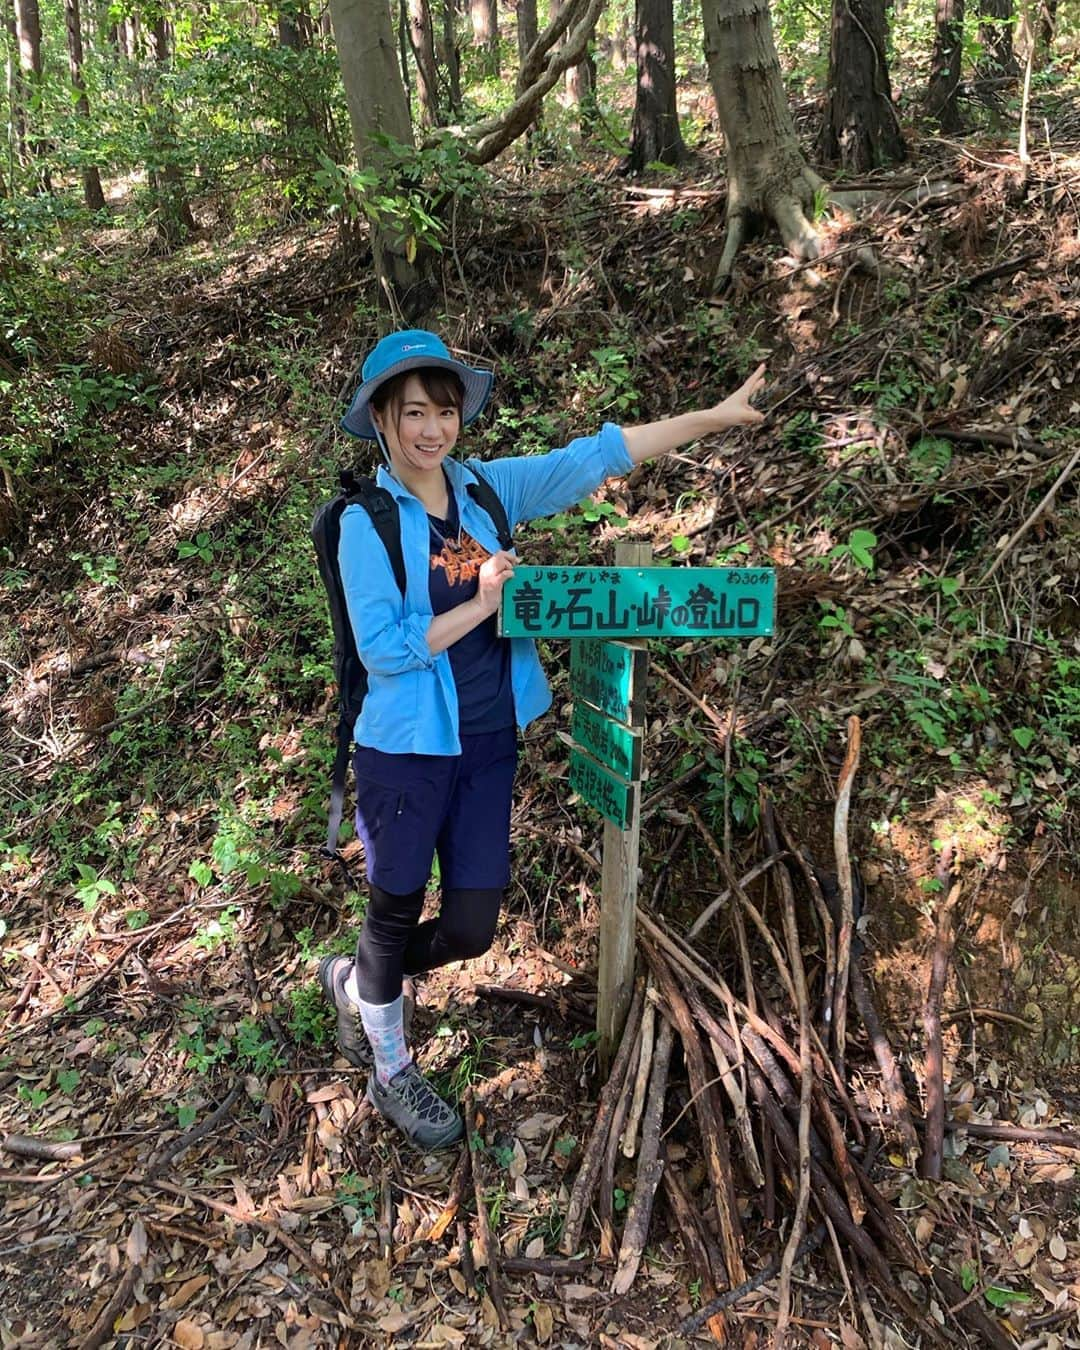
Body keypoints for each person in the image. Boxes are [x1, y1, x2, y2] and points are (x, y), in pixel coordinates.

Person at [319, 329, 766, 1150]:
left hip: (488, 744)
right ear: (381, 418)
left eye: (444, 412)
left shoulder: (488, 493)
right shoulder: (365, 522)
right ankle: (390, 1065)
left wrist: (711, 417)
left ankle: (356, 984)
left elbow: (596, 456)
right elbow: (382, 649)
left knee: (473, 927)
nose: (431, 430)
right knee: (393, 912)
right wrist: (485, 602)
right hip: (405, 753)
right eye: (413, 412)